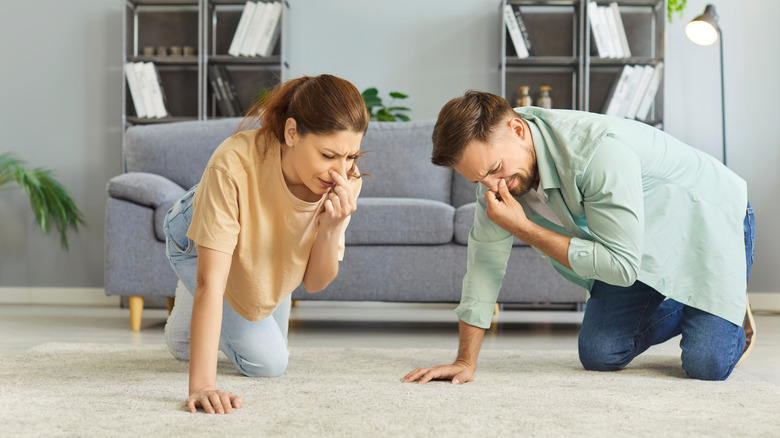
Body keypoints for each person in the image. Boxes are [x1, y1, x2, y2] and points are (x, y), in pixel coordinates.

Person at [402, 91, 755, 384]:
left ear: (517, 129)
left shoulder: (597, 154)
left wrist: (523, 227)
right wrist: (465, 361)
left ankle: (725, 302)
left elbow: (619, 266)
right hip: (634, 247)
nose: (493, 186)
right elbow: (484, 265)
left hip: (707, 223)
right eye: (479, 179)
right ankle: (690, 298)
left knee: (706, 364)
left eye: (495, 170)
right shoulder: (497, 175)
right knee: (600, 353)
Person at [163, 74, 369, 414]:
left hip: (265, 243)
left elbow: (315, 283)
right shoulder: (233, 163)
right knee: (269, 363)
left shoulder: (346, 181)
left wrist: (330, 228)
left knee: (272, 349)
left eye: (350, 157)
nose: (339, 172)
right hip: (194, 232)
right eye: (328, 155)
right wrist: (201, 386)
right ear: (291, 133)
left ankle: (193, 308)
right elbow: (210, 283)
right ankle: (196, 272)